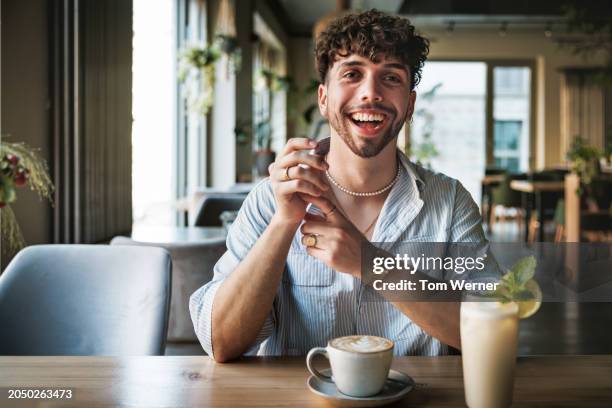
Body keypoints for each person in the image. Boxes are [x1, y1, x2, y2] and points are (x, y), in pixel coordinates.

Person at [190, 9, 489, 362]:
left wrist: (370, 263)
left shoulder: (450, 202)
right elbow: (222, 343)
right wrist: (284, 222)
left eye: (391, 78)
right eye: (352, 74)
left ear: (409, 105)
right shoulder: (269, 200)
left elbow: (491, 329)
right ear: (323, 98)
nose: (371, 93)